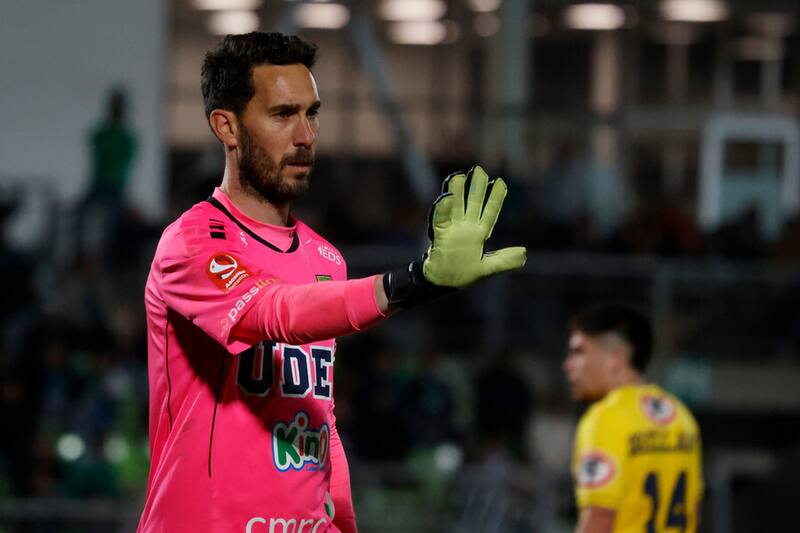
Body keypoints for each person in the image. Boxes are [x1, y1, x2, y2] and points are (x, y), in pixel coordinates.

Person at [137, 32, 526, 533]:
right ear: (227, 127)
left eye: (312, 113)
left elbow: (319, 412)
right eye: (282, 115)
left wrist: (342, 519)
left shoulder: (325, 258)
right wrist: (415, 280)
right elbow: (273, 313)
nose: (306, 135)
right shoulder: (192, 242)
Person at [563, 303, 703, 533]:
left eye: (579, 352)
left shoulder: (605, 419)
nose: (568, 365)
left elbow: (600, 517)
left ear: (616, 359)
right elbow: (694, 512)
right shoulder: (681, 417)